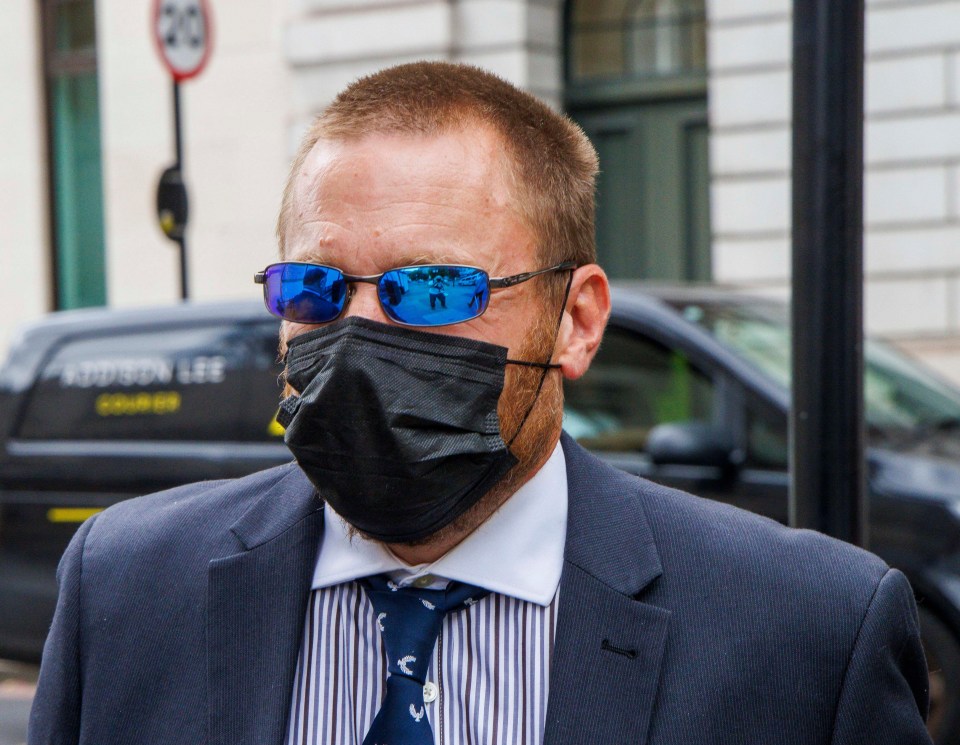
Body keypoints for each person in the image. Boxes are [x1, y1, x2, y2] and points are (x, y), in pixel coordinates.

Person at [29, 62, 931, 745]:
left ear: (575, 320)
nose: (360, 329)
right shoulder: (125, 587)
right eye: (314, 287)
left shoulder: (810, 635)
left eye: (432, 289)